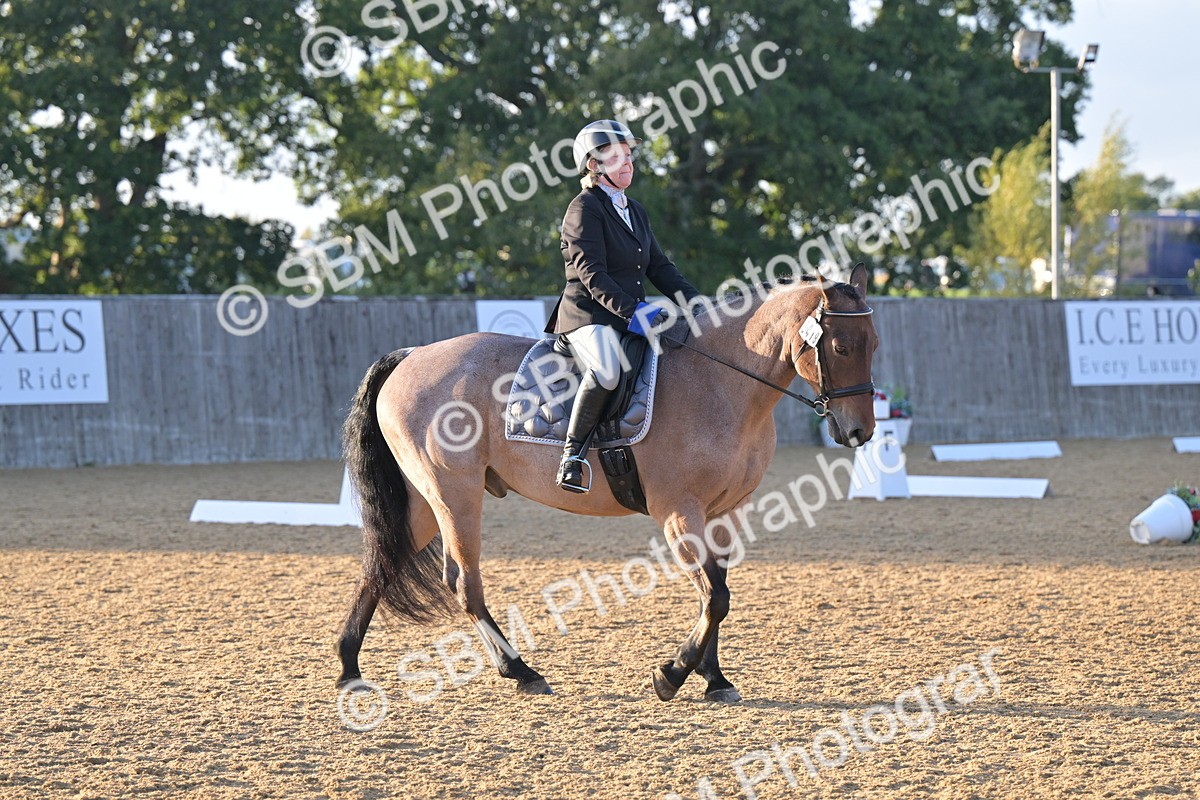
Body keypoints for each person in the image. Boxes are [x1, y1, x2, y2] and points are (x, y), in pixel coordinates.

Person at [544, 119, 703, 493]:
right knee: (608, 370)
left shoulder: (635, 210)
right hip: (588, 316)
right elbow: (592, 274)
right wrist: (635, 312)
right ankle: (572, 457)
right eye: (617, 157)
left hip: (627, 315)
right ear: (594, 165)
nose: (628, 163)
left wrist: (696, 302)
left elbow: (659, 267)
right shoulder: (583, 208)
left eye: (629, 156)